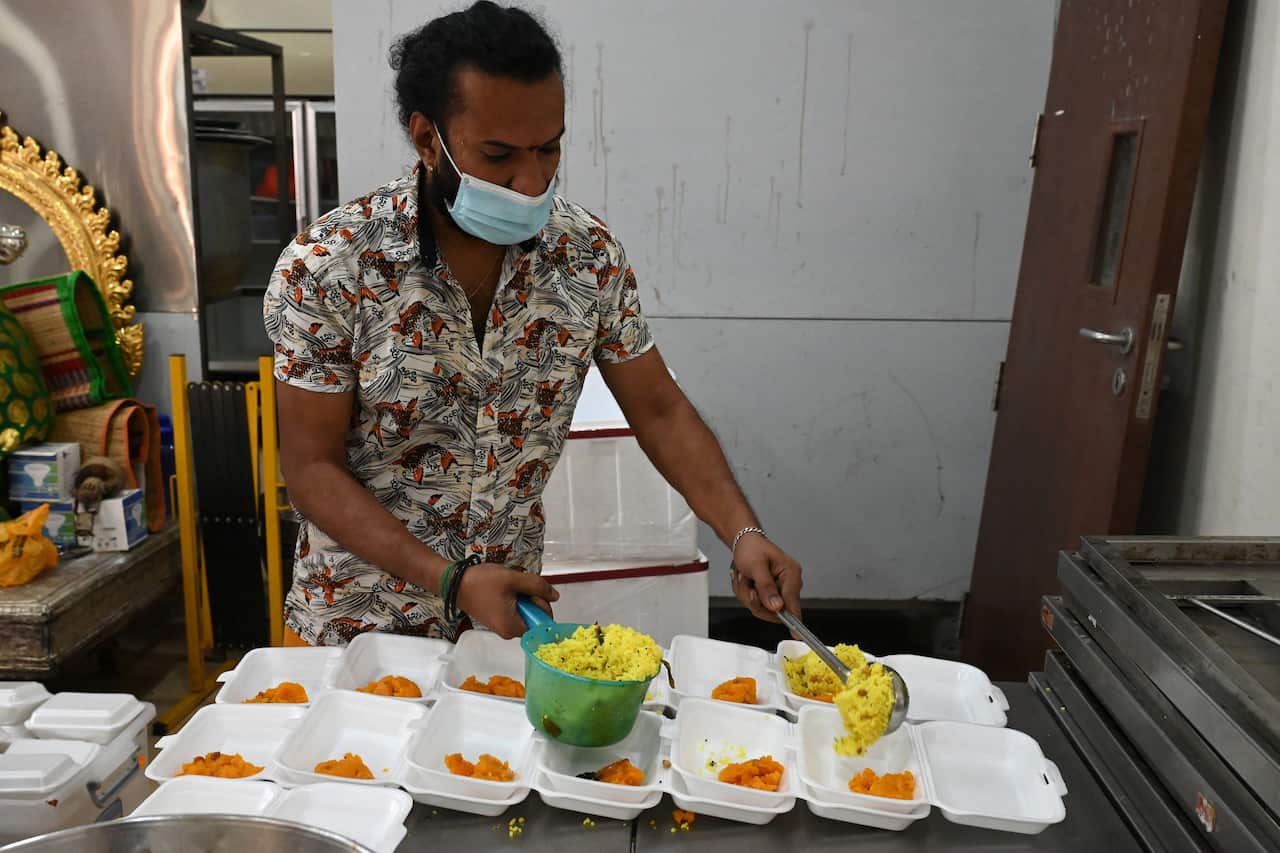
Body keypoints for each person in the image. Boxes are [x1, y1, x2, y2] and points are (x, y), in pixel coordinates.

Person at [263, 1, 803, 645]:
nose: (530, 181)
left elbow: (659, 410)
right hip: (356, 626)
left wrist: (742, 532)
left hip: (506, 619)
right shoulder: (330, 265)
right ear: (427, 139)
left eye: (549, 149)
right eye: (498, 156)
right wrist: (449, 578)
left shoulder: (587, 257)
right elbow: (311, 467)